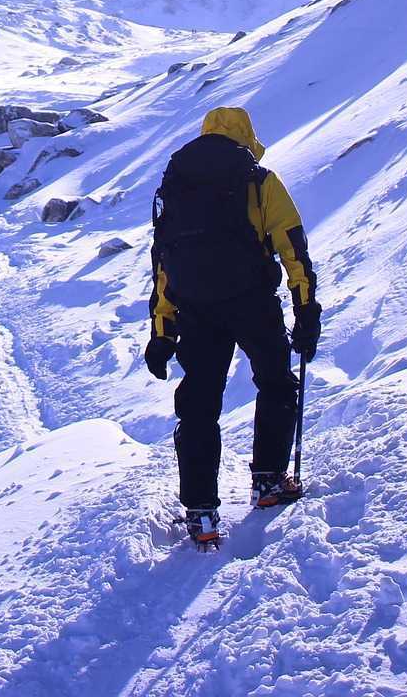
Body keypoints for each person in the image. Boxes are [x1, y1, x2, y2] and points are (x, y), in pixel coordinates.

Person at [145, 106, 320, 546]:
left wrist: (161, 331)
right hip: (252, 302)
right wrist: (306, 310)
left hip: (194, 309)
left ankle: (201, 513)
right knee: (277, 384)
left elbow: (163, 263)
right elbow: (291, 247)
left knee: (199, 406)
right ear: (245, 136)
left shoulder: (174, 185)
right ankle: (268, 482)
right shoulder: (258, 180)